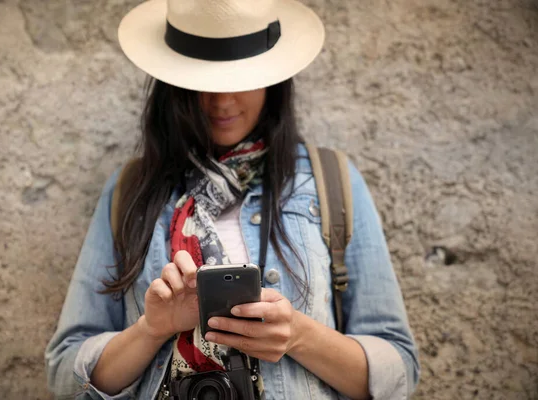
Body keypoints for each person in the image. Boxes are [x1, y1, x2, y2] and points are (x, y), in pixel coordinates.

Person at [44, 0, 420, 399]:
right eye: (202, 82)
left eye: (241, 77)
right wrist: (150, 330)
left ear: (273, 79)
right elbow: (65, 373)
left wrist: (299, 337)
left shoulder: (330, 182)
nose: (222, 102)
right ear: (173, 85)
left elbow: (400, 368)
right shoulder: (132, 190)